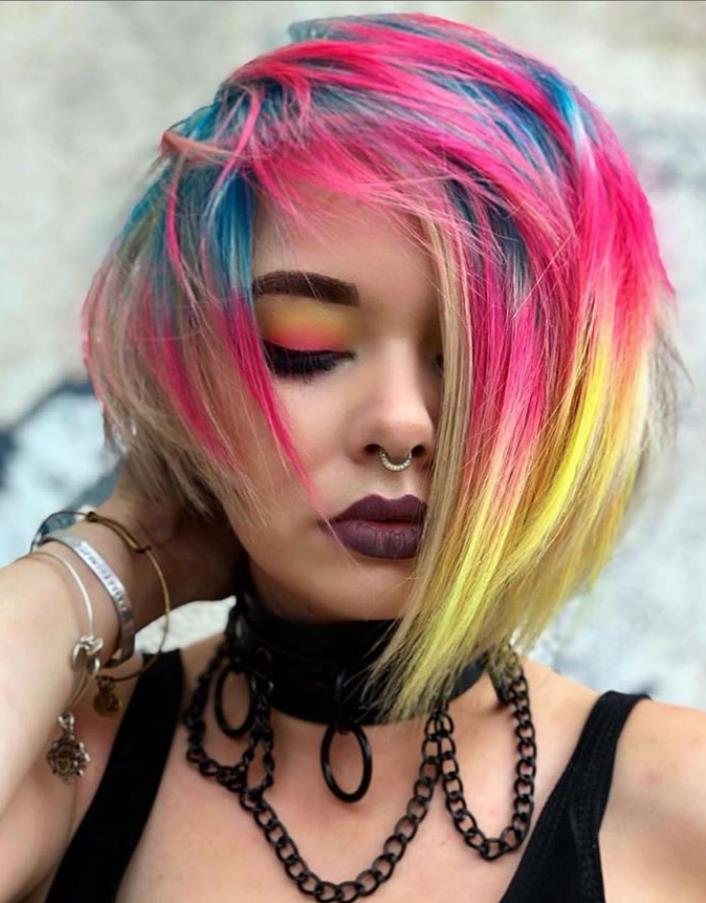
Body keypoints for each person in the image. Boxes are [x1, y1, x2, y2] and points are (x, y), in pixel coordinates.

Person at [1, 11, 704, 902]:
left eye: (474, 359)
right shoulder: (70, 760)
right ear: (191, 372)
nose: (401, 425)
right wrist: (113, 555)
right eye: (305, 345)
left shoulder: (678, 804)